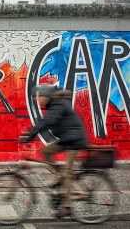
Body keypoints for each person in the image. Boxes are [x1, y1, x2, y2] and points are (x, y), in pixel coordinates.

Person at [19, 84, 88, 219]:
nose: (37, 100)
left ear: (46, 96)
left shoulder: (58, 105)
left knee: (67, 172)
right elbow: (46, 121)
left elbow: (48, 121)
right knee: (45, 151)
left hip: (74, 140)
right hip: (67, 138)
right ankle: (60, 174)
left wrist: (30, 134)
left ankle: (68, 206)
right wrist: (31, 134)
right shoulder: (54, 105)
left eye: (39, 97)